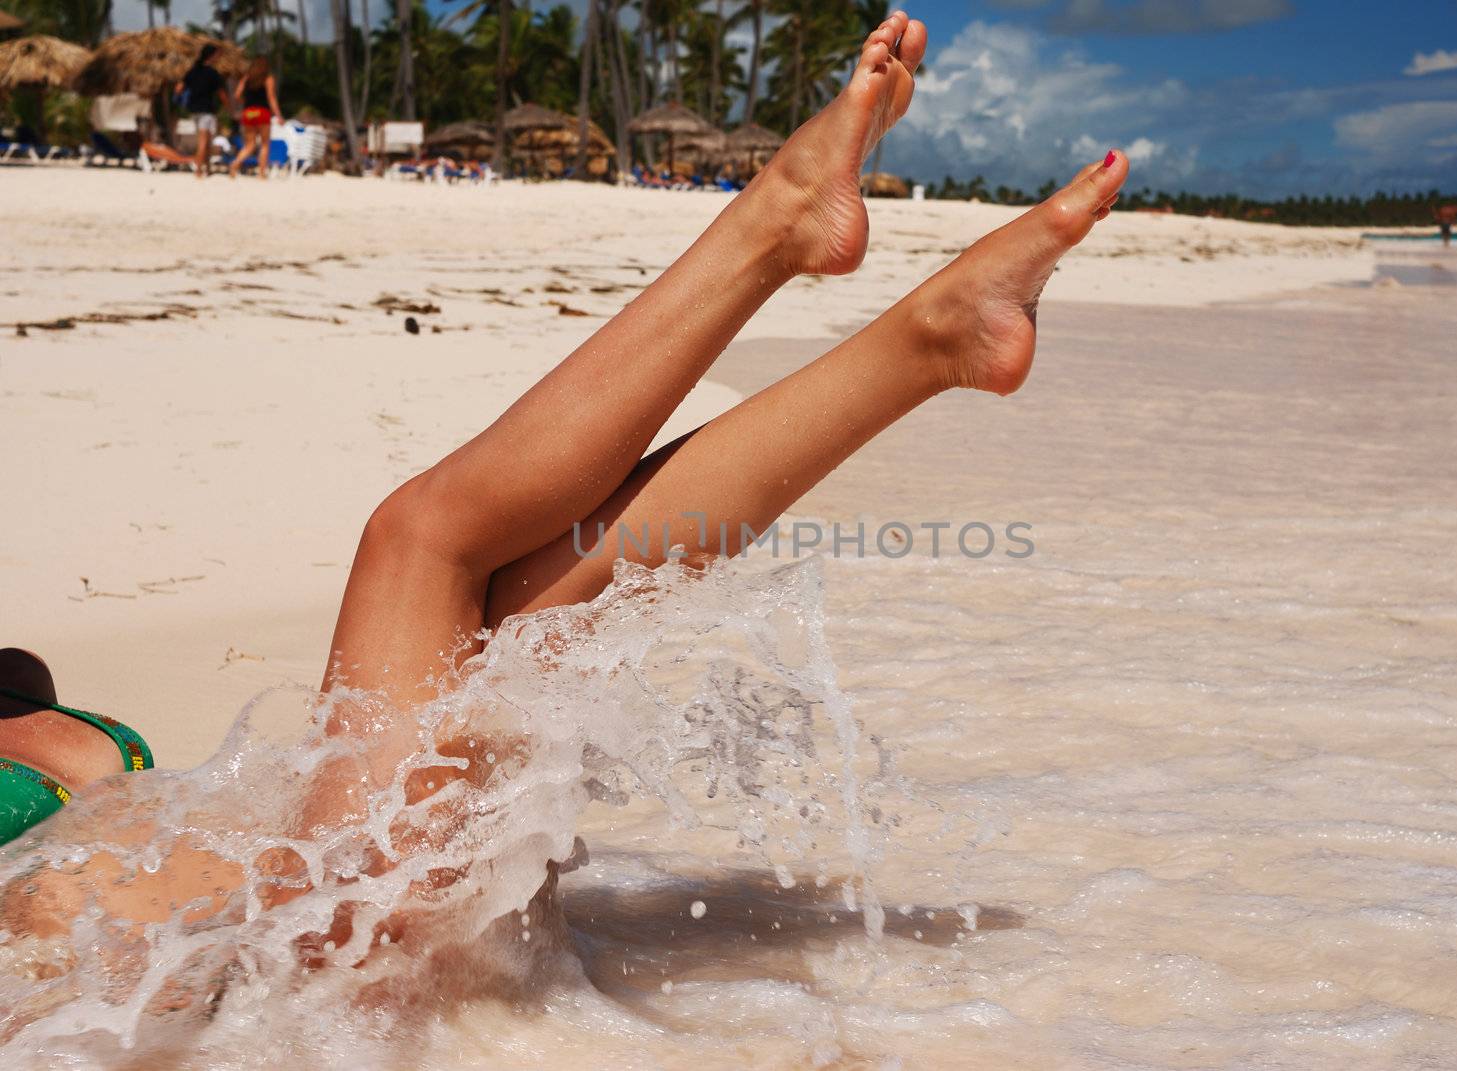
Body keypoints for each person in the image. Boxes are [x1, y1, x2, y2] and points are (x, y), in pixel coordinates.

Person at [1, 11, 1127, 954]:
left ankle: (915, 334)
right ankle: (821, 264)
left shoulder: (56, 741)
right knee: (421, 541)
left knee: (524, 620)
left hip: (328, 930)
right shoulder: (71, 741)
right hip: (308, 935)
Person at [178, 44, 230, 179]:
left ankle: (207, 168)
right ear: (211, 56)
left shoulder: (193, 71)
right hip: (206, 110)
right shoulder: (213, 73)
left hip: (194, 110)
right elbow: (222, 94)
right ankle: (199, 171)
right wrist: (228, 108)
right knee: (203, 142)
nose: (218, 58)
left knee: (206, 141)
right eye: (217, 55)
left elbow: (178, 88)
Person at [229, 57, 282, 180]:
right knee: (264, 144)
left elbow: (237, 95)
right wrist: (278, 115)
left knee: (249, 145)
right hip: (262, 112)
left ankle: (235, 163)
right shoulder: (268, 78)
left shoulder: (246, 78)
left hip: (249, 112)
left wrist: (246, 103)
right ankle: (262, 173)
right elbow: (271, 98)